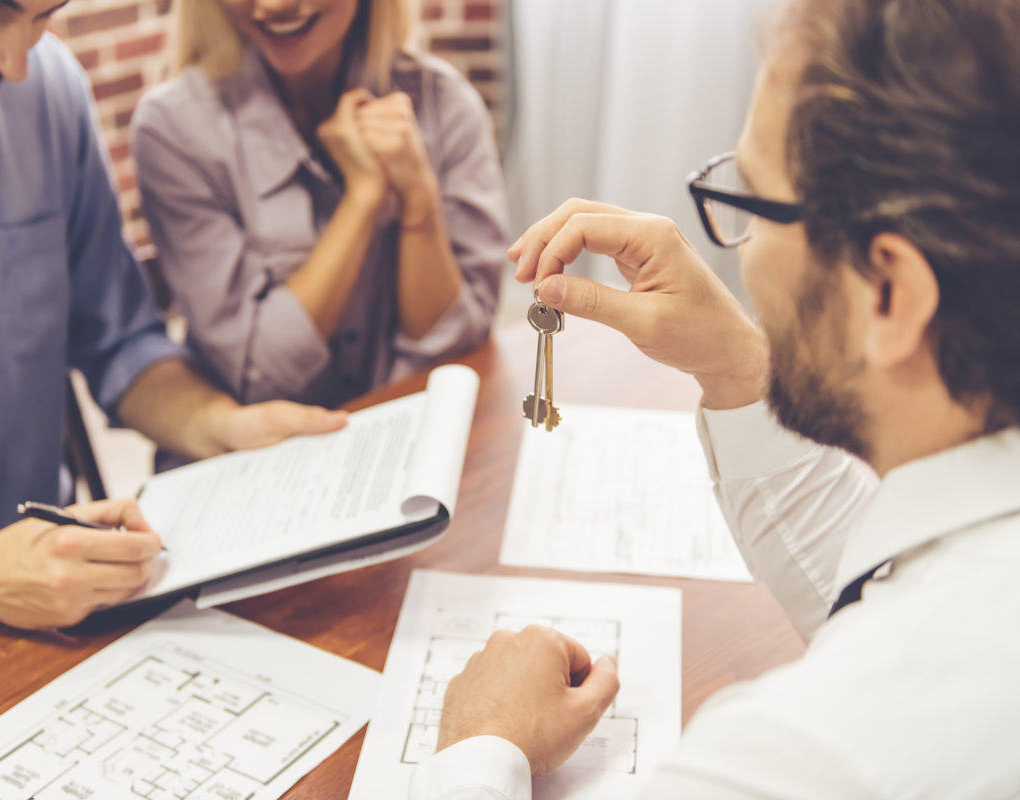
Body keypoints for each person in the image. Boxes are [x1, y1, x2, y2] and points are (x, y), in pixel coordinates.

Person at [413, 0, 1020, 796]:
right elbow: (871, 586)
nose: (744, 260)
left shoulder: (808, 752)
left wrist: (479, 747)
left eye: (757, 208)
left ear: (891, 295)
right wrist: (739, 369)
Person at [0, 0, 348, 635]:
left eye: (44, 13)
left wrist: (221, 426)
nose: (16, 63)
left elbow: (121, 344)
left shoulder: (46, 89)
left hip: (55, 628)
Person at [129, 0, 508, 416]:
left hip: (403, 437)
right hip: (260, 460)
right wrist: (363, 199)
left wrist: (418, 200)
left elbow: (455, 351)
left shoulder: (445, 102)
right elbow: (260, 375)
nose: (274, 5)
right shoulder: (172, 129)